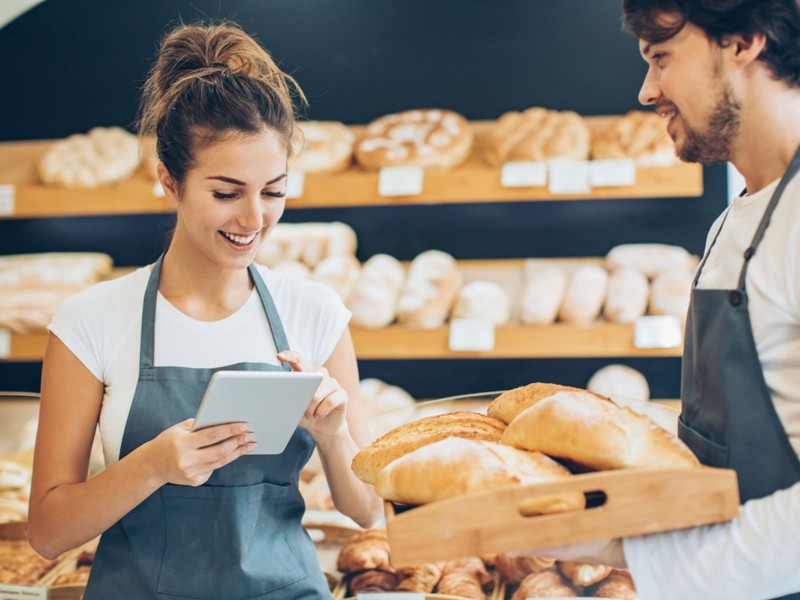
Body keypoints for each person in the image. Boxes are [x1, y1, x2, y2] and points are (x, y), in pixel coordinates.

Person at [27, 21, 382, 599]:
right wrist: (151, 467)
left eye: (273, 191)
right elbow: (46, 532)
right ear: (169, 181)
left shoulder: (314, 311)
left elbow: (366, 508)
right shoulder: (90, 321)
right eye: (225, 193)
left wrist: (332, 436)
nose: (253, 219)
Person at [533, 2, 800, 599]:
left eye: (661, 58)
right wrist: (599, 528)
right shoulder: (733, 223)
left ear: (744, 43)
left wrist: (657, 565)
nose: (647, 90)